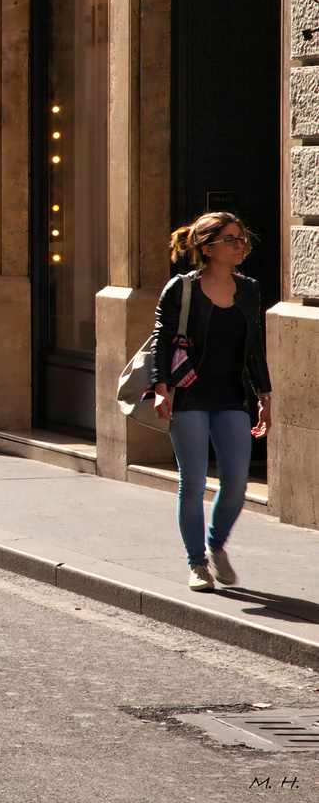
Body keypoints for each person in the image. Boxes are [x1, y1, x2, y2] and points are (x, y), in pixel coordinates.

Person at [151, 212, 271, 593]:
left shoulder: (249, 289)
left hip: (231, 396)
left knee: (236, 482)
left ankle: (215, 545)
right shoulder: (181, 289)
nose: (240, 246)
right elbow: (162, 340)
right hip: (189, 395)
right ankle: (197, 563)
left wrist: (264, 396)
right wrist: (160, 388)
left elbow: (254, 348)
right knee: (194, 481)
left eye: (241, 238)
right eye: (230, 240)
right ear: (207, 249)